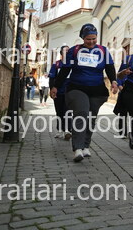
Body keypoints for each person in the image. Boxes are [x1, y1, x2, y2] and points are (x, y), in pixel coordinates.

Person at [50, 24, 119, 162]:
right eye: (88, 39)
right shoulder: (74, 51)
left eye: (94, 38)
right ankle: (77, 148)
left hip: (97, 90)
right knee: (81, 113)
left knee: (91, 118)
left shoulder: (103, 51)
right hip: (77, 88)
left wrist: (113, 81)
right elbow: (65, 70)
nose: (91, 42)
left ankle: (86, 146)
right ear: (82, 38)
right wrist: (55, 86)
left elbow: (110, 67)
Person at [49, 45, 72, 140]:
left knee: (67, 111)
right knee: (59, 111)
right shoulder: (57, 64)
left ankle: (68, 130)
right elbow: (52, 78)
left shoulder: (72, 64)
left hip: (69, 91)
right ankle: (60, 130)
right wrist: (51, 89)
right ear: (61, 53)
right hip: (58, 92)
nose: (67, 52)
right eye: (65, 51)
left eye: (68, 51)